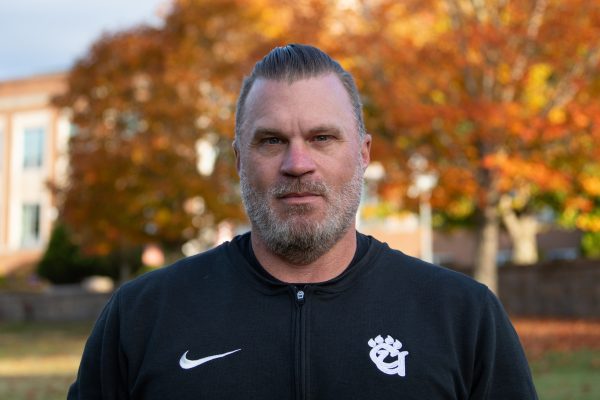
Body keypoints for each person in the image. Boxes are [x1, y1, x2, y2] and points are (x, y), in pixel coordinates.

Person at [68, 44, 538, 399]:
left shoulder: (462, 315)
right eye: (271, 141)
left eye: (322, 137)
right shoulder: (143, 315)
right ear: (239, 160)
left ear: (363, 153)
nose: (297, 163)